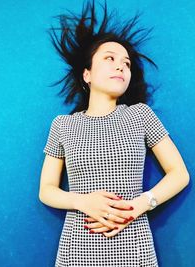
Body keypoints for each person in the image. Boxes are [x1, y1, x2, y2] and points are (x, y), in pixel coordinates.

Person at [39, 1, 190, 266]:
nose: (121, 67)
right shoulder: (62, 125)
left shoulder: (140, 115)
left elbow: (180, 174)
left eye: (127, 64)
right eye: (109, 58)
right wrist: (81, 201)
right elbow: (46, 190)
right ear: (87, 74)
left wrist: (139, 206)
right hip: (78, 247)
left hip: (134, 244)